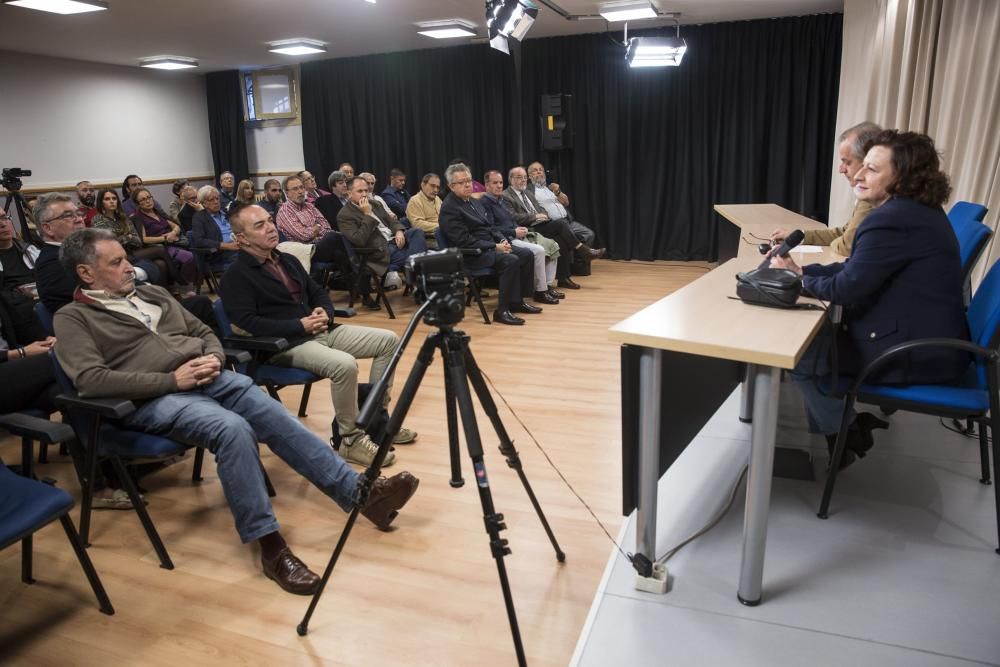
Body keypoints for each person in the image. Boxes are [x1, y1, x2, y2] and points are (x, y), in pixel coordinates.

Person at [54, 227, 420, 594]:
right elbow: (91, 380)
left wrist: (213, 357)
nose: (130, 267)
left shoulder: (153, 293)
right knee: (232, 429)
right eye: (117, 262)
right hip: (155, 397)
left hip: (206, 377)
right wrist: (171, 380)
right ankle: (272, 549)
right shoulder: (72, 318)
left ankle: (362, 495)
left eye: (126, 259)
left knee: (274, 416)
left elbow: (204, 330)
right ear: (87, 273)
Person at [770, 130, 969, 468]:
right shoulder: (917, 211)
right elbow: (857, 269)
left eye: (872, 169)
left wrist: (797, 278)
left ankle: (847, 434)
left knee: (802, 357)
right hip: (931, 338)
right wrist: (805, 272)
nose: (859, 174)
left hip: (915, 351)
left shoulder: (891, 221)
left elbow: (848, 289)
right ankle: (844, 431)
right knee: (815, 342)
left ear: (903, 177)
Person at [220, 202, 419, 466]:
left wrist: (325, 312)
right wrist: (300, 326)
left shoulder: (287, 260)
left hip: (318, 330)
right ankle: (351, 439)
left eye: (269, 220)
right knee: (344, 365)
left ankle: (375, 420)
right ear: (241, 238)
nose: (270, 227)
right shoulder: (236, 275)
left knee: (389, 341)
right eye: (260, 225)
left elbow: (318, 292)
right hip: (282, 346)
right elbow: (247, 322)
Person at [439, 163, 540, 325]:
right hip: (470, 254)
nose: (467, 184)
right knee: (511, 260)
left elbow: (489, 227)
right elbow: (463, 240)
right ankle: (502, 310)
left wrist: (501, 240)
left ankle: (517, 301)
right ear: (451, 186)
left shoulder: (473, 202)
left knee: (526, 254)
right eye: (462, 182)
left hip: (488, 246)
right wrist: (494, 247)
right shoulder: (449, 208)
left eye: (469, 180)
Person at [770, 121, 883, 256]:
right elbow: (844, 233)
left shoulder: (873, 197)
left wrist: (839, 242)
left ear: (868, 162)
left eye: (847, 162)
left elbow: (847, 246)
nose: (841, 169)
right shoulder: (868, 194)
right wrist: (799, 236)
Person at [503, 166, 602, 290]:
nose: (523, 180)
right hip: (528, 229)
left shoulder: (527, 193)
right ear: (510, 179)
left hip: (541, 224)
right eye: (519, 177)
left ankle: (563, 279)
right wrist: (534, 217)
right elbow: (513, 217)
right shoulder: (506, 195)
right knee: (560, 224)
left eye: (524, 178)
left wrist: (544, 214)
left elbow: (540, 208)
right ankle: (583, 250)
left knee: (561, 239)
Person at [481, 170, 562, 305]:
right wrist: (513, 232)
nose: (499, 186)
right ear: (487, 186)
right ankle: (539, 291)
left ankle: (546, 287)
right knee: (538, 250)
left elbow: (512, 219)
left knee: (553, 245)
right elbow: (491, 228)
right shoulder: (485, 203)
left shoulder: (500, 200)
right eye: (495, 183)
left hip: (517, 234)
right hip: (505, 240)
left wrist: (518, 228)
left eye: (500, 182)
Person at [338, 176, 427, 293]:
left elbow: (392, 221)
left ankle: (415, 266)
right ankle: (421, 283)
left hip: (394, 240)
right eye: (360, 191)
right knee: (422, 258)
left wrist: (399, 231)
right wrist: (368, 215)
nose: (364, 194)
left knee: (417, 232)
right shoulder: (345, 215)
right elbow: (358, 240)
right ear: (349, 194)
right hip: (379, 250)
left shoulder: (375, 204)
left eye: (366, 190)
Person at [130, 187, 198, 294]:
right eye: (143, 199)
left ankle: (183, 287)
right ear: (137, 204)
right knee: (190, 258)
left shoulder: (158, 212)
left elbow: (176, 226)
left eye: (149, 197)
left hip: (174, 242)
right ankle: (184, 287)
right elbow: (144, 239)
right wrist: (165, 238)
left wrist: (173, 233)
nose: (148, 201)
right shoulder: (137, 217)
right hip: (160, 247)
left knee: (196, 255)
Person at [276, 174, 349, 266]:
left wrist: (315, 230)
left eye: (301, 187)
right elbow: (303, 235)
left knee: (339, 252)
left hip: (321, 245)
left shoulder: (309, 206)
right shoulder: (285, 211)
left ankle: (356, 275)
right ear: (286, 192)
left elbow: (326, 226)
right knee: (334, 237)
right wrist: (317, 227)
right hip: (305, 251)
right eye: (295, 189)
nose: (300, 191)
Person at [526, 161, 597, 246]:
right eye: (535, 170)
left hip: (567, 221)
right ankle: (584, 253)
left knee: (589, 234)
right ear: (529, 176)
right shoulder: (529, 191)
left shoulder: (550, 188)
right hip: (550, 224)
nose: (539, 171)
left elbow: (566, 203)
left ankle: (580, 258)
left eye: (541, 170)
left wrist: (558, 192)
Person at [191, 185, 239, 272]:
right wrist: (225, 246)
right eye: (211, 200)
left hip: (238, 248)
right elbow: (199, 241)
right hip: (219, 255)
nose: (216, 202)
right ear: (203, 203)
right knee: (249, 262)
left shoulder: (225, 213)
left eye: (217, 198)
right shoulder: (199, 218)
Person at [405, 173, 443, 249]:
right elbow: (417, 224)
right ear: (423, 185)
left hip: (443, 235)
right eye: (432, 186)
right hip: (429, 240)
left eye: (438, 187)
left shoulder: (438, 199)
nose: (435, 190)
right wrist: (441, 226)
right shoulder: (415, 200)